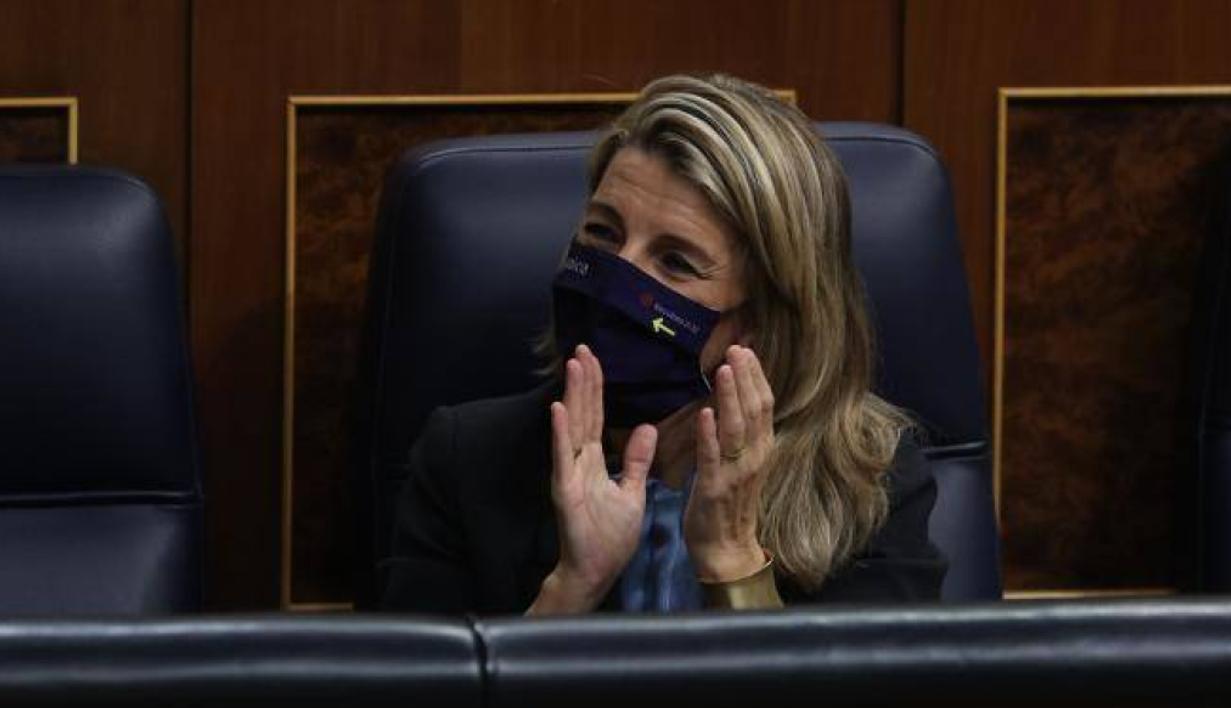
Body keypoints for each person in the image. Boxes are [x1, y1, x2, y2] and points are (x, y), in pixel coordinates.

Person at [379, 73, 946, 615]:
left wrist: (733, 564)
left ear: (762, 322)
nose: (613, 278)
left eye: (675, 261)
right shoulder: (466, 464)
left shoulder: (868, 483)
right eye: (602, 232)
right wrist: (573, 587)